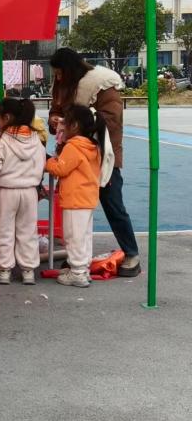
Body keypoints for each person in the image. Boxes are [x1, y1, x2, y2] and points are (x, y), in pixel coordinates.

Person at [49, 48, 140, 277]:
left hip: (101, 155)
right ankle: (78, 258)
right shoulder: (63, 85)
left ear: (70, 70)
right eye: (55, 74)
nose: (57, 77)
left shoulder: (102, 83)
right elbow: (56, 110)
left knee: (113, 205)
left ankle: (131, 254)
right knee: (76, 212)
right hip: (73, 156)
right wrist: (55, 120)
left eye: (60, 73)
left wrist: (76, 123)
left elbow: (112, 120)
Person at [0, 98, 45, 285]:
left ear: (6, 117)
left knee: (4, 230)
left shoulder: (1, 139)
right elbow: (41, 163)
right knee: (28, 231)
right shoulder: (35, 138)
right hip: (29, 192)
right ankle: (28, 270)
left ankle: (4, 269)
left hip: (5, 191)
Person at [45, 106, 105, 288]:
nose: (61, 125)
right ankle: (83, 268)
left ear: (75, 125)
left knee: (73, 237)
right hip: (87, 197)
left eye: (65, 121)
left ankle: (77, 272)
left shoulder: (73, 146)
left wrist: (49, 161)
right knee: (84, 236)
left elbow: (60, 169)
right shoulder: (92, 146)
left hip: (74, 198)